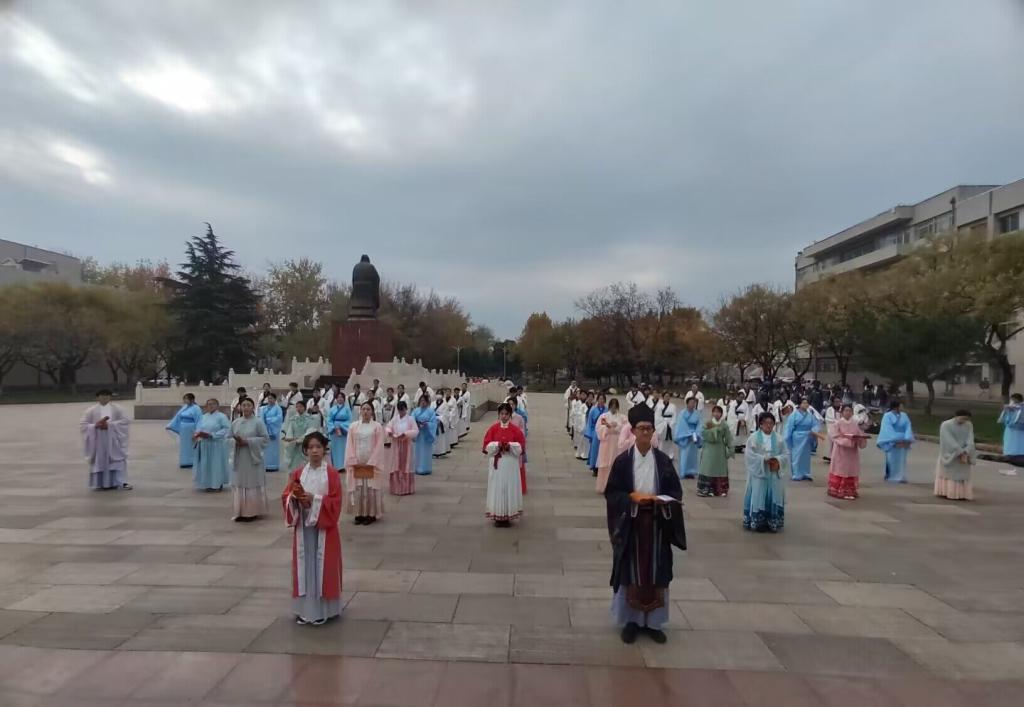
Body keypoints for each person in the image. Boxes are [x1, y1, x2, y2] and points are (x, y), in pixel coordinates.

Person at [604, 403, 685, 645]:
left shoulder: (663, 461)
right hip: (632, 525)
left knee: (657, 571)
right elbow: (612, 493)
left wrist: (664, 502)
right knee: (631, 572)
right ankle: (631, 621)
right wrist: (631, 498)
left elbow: (675, 492)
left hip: (657, 524)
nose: (646, 432)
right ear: (633, 431)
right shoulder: (622, 462)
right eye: (641, 428)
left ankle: (653, 622)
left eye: (649, 428)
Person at [283, 431, 343, 626]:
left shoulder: (332, 474)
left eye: (318, 447)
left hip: (324, 529)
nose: (315, 451)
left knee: (324, 566)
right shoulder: (298, 473)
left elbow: (336, 502)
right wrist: (294, 498)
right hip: (304, 529)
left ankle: (325, 609)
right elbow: (287, 495)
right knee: (306, 565)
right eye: (310, 447)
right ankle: (306, 608)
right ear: (305, 451)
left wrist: (315, 499)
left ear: (324, 449)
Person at [743, 413, 789, 532]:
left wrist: (777, 460)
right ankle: (758, 522)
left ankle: (772, 521)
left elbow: (785, 454)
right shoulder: (753, 438)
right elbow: (749, 455)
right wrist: (762, 459)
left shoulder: (779, 439)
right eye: (766, 423)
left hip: (773, 472)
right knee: (758, 494)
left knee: (774, 495)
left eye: (771, 423)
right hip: (759, 472)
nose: (769, 425)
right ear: (761, 424)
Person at [482, 402, 526, 527]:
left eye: (506, 414)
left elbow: (521, 447)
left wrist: (509, 446)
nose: (504, 416)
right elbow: (486, 445)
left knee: (509, 487)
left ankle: (508, 515)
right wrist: (497, 445)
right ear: (498, 414)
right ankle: (497, 514)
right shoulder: (493, 429)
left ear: (510, 415)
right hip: (497, 464)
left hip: (510, 463)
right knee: (497, 487)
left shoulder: (516, 430)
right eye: (502, 414)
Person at [80, 389, 132, 490]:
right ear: (98, 397)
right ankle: (101, 483)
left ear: (110, 397)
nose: (105, 398)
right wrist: (95, 425)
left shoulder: (117, 409)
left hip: (114, 440)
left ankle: (120, 482)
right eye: (102, 396)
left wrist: (110, 425)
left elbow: (125, 421)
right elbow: (83, 425)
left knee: (117, 461)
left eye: (107, 396)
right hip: (98, 440)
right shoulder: (91, 410)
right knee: (100, 460)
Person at [346, 402, 386, 525]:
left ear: (372, 412)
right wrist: (353, 460)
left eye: (368, 409)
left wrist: (372, 461)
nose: (365, 411)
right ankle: (359, 514)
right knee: (358, 488)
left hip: (371, 464)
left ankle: (371, 514)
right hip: (357, 463)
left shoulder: (377, 427)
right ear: (360, 411)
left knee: (370, 489)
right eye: (363, 409)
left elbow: (379, 445)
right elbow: (349, 444)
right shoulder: (353, 426)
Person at [230, 398, 269, 521]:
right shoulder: (235, 422)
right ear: (240, 407)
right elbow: (227, 438)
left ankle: (252, 512)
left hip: (252, 457)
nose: (246, 407)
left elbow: (265, 439)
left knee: (251, 483)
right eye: (243, 405)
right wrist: (235, 442)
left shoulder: (258, 422)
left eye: (248, 405)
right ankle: (240, 511)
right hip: (239, 457)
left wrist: (248, 441)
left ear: (253, 407)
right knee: (240, 483)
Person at [827, 404, 868, 500]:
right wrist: (847, 441)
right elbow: (834, 436)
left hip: (852, 452)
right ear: (842, 412)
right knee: (840, 469)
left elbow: (859, 434)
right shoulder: (837, 423)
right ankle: (837, 489)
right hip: (840, 451)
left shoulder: (855, 424)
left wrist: (861, 439)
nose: (848, 413)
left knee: (850, 469)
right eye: (846, 410)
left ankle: (849, 490)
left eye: (850, 411)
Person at [935, 410, 978, 500]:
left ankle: (962, 494)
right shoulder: (946, 425)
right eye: (962, 418)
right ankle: (947, 492)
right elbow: (948, 439)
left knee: (963, 475)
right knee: (949, 474)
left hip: (964, 453)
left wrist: (967, 449)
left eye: (966, 419)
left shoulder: (968, 425)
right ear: (956, 416)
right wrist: (959, 450)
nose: (964, 421)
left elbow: (970, 438)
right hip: (950, 453)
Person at [192, 398, 231, 491]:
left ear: (217, 405)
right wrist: (197, 435)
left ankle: (217, 484)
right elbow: (198, 428)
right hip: (204, 444)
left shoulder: (222, 417)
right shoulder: (203, 417)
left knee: (216, 464)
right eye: (209, 404)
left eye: (213, 404)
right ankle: (207, 483)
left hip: (216, 444)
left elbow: (227, 429)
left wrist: (213, 435)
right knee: (206, 464)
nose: (211, 406)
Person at [697, 405, 734, 497]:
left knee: (720, 469)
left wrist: (730, 448)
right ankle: (706, 488)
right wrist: (714, 431)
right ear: (712, 413)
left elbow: (728, 438)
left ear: (721, 414)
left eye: (719, 412)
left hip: (720, 449)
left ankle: (720, 489)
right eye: (715, 412)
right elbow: (703, 433)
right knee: (708, 468)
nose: (717, 414)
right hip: (709, 449)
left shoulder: (724, 425)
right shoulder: (708, 423)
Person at [784, 398, 824, 481]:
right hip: (797, 436)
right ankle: (796, 473)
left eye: (807, 403)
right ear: (799, 404)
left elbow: (815, 424)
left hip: (807, 436)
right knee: (796, 455)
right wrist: (787, 437)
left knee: (805, 456)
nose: (806, 404)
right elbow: (789, 427)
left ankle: (805, 473)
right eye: (804, 403)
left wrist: (813, 431)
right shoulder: (794, 415)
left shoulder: (810, 415)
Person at [386, 401, 419, 495]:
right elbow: (388, 426)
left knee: (406, 464)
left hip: (406, 445)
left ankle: (406, 488)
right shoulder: (395, 419)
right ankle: (396, 488)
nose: (401, 412)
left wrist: (406, 434)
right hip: (396, 444)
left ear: (406, 409)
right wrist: (389, 432)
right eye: (400, 410)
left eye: (403, 410)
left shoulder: (410, 419)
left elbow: (416, 431)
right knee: (396, 464)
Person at [877, 401, 914, 483]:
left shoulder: (904, 415)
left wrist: (907, 438)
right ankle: (890, 475)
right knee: (891, 459)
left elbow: (908, 426)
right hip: (892, 441)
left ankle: (901, 476)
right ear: (896, 407)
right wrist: (895, 438)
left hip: (903, 440)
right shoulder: (887, 416)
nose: (902, 408)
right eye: (901, 406)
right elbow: (887, 429)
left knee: (902, 459)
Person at [595, 399, 627, 492]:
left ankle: (615, 487)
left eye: (615, 406)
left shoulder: (622, 417)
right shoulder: (604, 416)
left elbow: (625, 428)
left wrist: (617, 426)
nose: (613, 408)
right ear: (609, 406)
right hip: (607, 441)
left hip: (617, 441)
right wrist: (607, 427)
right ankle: (604, 486)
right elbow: (598, 428)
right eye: (612, 406)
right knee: (605, 463)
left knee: (616, 462)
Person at [166, 393, 202, 469]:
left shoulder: (196, 408)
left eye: (186, 398)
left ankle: (192, 461)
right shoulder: (184, 407)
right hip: (183, 428)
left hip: (191, 428)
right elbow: (177, 417)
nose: (185, 400)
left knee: (191, 445)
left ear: (192, 399)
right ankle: (184, 461)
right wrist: (170, 425)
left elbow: (199, 420)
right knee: (183, 446)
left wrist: (197, 431)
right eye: (184, 399)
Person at [282, 401, 319, 471]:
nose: (298, 408)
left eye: (300, 407)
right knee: (294, 465)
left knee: (305, 464)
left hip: (305, 444)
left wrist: (299, 440)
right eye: (297, 407)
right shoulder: (293, 419)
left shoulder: (310, 419)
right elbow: (290, 430)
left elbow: (310, 431)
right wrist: (290, 439)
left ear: (304, 408)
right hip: (294, 445)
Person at [674, 397, 703, 479]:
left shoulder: (697, 414)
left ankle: (691, 471)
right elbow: (681, 425)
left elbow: (700, 425)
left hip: (694, 436)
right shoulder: (682, 413)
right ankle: (684, 471)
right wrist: (688, 434)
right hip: (685, 436)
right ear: (687, 403)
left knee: (693, 456)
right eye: (691, 402)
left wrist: (696, 433)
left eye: (694, 403)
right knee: (684, 455)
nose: (692, 404)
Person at [412, 394, 438, 475]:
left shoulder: (431, 411)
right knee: (418, 451)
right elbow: (411, 420)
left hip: (426, 434)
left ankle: (426, 468)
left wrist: (426, 424)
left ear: (427, 402)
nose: (423, 402)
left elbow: (433, 423)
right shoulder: (416, 411)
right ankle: (417, 467)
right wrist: (416, 424)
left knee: (426, 452)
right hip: (418, 434)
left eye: (424, 401)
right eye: (421, 400)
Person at [326, 398, 352, 471]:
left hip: (343, 430)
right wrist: (333, 427)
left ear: (344, 399)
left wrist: (342, 426)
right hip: (334, 430)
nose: (340, 399)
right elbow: (328, 419)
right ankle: (336, 465)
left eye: (341, 397)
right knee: (334, 448)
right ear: (336, 399)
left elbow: (350, 419)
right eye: (338, 397)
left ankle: (343, 466)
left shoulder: (347, 409)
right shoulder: (332, 409)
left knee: (343, 448)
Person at [259, 393, 283, 472]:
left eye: (271, 398)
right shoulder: (263, 408)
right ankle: (265, 465)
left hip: (274, 431)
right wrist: (264, 424)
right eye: (269, 398)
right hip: (265, 430)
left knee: (273, 449)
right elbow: (261, 418)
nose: (270, 400)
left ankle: (273, 465)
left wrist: (269, 420)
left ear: (275, 399)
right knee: (265, 449)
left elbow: (279, 419)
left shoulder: (278, 408)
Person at [585, 393, 608, 473]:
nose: (601, 401)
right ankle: (594, 467)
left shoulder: (607, 410)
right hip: (595, 431)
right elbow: (589, 422)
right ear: (597, 400)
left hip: (604, 432)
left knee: (603, 450)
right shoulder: (593, 410)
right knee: (595, 450)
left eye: (603, 399)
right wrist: (590, 433)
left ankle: (601, 466)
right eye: (600, 399)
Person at [998, 394, 1024, 461]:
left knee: (1018, 443)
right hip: (1009, 430)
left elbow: (1020, 419)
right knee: (1009, 442)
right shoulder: (1009, 406)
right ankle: (1008, 453)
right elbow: (1005, 418)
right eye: (1011, 399)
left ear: (1018, 400)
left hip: (1019, 431)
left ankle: (1018, 454)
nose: (1012, 401)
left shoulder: (1022, 407)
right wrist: (1008, 410)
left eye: (1013, 399)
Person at [654, 391, 677, 461]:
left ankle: (670, 455)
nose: (667, 397)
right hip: (662, 424)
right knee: (662, 441)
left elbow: (674, 416)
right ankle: (661, 454)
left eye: (668, 396)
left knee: (670, 441)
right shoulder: (659, 406)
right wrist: (664, 422)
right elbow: (657, 416)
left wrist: (671, 423)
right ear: (663, 397)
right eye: (666, 396)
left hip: (671, 424)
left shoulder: (673, 406)